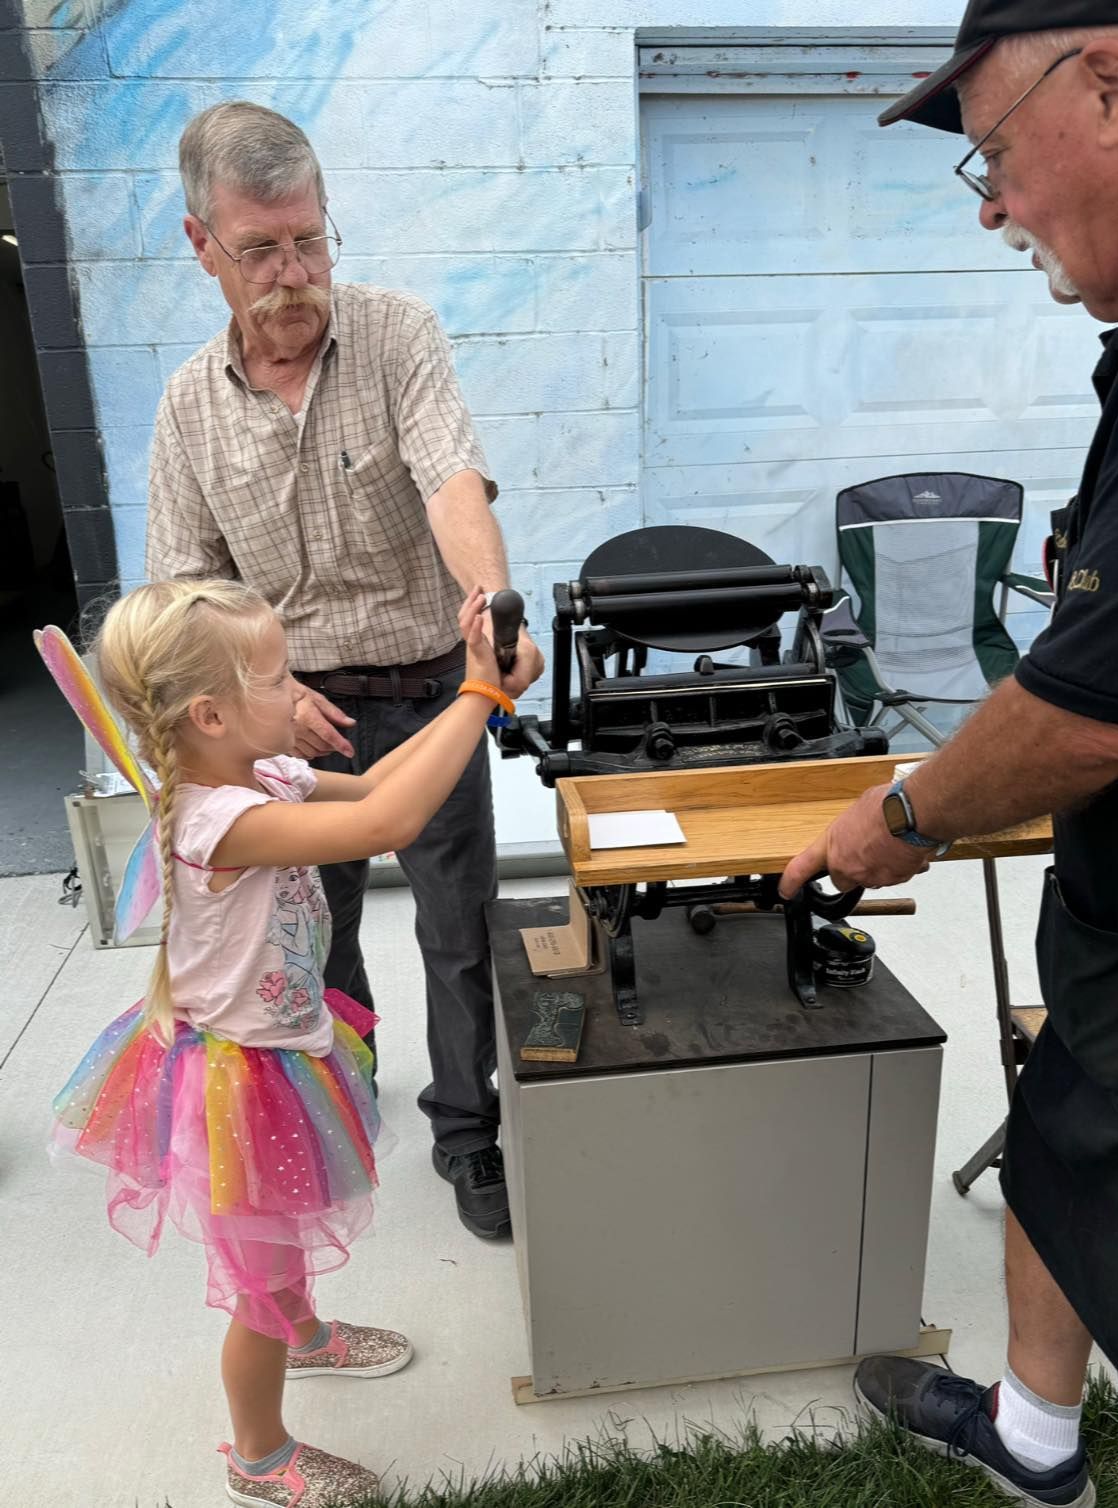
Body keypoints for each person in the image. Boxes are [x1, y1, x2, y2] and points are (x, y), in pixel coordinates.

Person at [779, 6, 1118, 1506]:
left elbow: (1099, 700)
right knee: (1053, 1120)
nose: (988, 204)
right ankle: (1032, 1437)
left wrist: (893, 815)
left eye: (991, 152)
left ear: (1102, 83)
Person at [145, 101, 544, 1240]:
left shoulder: (396, 333)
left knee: (457, 930)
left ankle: (468, 1133)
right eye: (260, 249)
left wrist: (486, 606)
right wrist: (256, 692)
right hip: (286, 715)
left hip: (426, 692)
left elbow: (449, 476)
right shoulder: (185, 406)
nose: (292, 273)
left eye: (310, 239)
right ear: (200, 244)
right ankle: (338, 1108)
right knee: (311, 942)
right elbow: (183, 591)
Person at [50, 579, 536, 1507]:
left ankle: (306, 1335)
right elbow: (387, 826)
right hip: (242, 1080)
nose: (301, 693)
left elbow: (388, 786)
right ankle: (259, 1456)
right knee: (255, 1283)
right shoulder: (218, 819)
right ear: (211, 714)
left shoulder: (262, 773)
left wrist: (484, 688)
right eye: (280, 679)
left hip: (283, 1051)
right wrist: (478, 697)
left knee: (284, 1234)